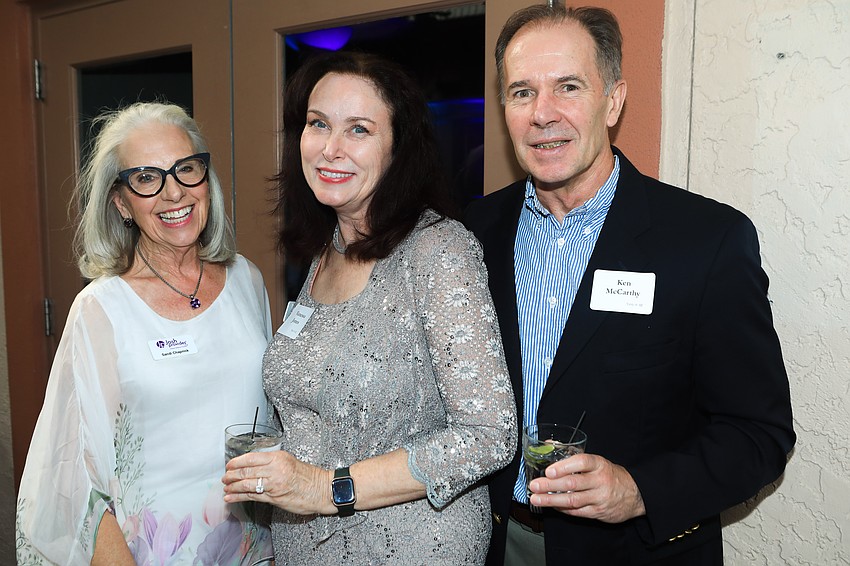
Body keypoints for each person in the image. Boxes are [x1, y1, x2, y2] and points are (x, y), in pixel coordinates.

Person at [463, 5, 796, 565]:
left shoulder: (706, 241)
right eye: (522, 92)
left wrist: (639, 490)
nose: (543, 114)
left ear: (613, 99)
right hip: (496, 545)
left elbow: (758, 434)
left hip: (634, 552)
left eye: (568, 87)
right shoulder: (470, 236)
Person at [221, 51, 517, 564]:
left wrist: (323, 488)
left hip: (410, 549)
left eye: (358, 129)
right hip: (305, 548)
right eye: (318, 124)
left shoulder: (437, 251)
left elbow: (489, 436)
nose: (330, 149)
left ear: (398, 149)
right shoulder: (322, 252)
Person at [15, 102, 274, 565]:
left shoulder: (246, 280)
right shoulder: (101, 309)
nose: (174, 193)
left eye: (185, 169)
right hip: (153, 552)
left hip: (255, 549)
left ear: (206, 180)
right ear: (121, 203)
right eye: (147, 178)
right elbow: (76, 484)